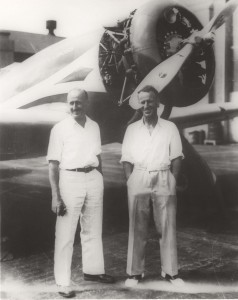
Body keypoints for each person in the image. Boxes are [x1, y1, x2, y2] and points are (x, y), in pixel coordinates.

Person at [47, 88, 114, 298]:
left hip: (93, 177)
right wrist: (55, 196)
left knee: (93, 229)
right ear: (68, 105)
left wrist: (100, 179)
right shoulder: (59, 129)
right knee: (66, 234)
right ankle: (62, 281)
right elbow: (52, 165)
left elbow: (98, 156)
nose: (75, 107)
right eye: (71, 103)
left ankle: (93, 271)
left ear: (86, 103)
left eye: (78, 102)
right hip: (70, 180)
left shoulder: (94, 126)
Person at [121, 85, 184, 287]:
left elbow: (176, 156)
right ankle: (134, 273)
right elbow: (126, 159)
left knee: (166, 227)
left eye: (150, 101)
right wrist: (130, 180)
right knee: (136, 228)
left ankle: (171, 272)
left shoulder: (170, 127)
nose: (146, 105)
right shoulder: (131, 129)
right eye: (143, 102)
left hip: (164, 176)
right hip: (139, 176)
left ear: (157, 103)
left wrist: (172, 180)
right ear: (140, 105)